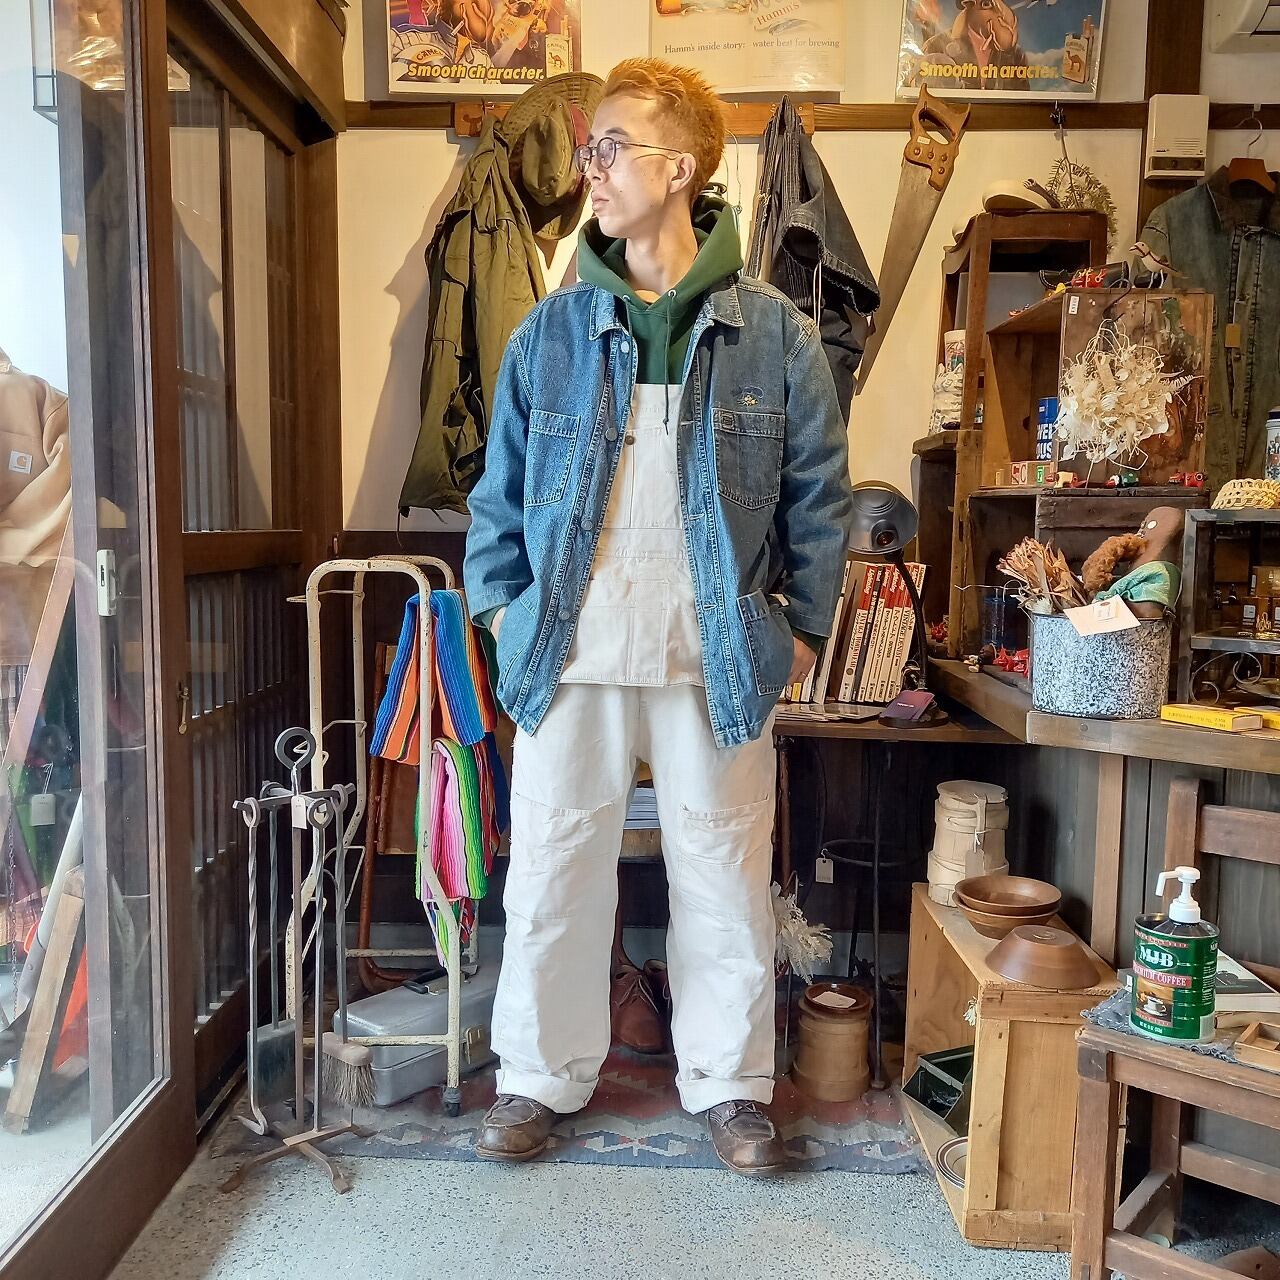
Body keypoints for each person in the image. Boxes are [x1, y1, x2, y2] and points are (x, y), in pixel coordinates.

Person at [463, 57, 853, 1176]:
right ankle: (538, 1077)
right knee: (553, 869)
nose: (590, 168)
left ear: (679, 168)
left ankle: (730, 1088)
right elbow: (497, 499)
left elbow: (819, 498)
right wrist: (501, 611)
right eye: (590, 149)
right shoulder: (547, 333)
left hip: (714, 653)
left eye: (611, 147)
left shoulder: (772, 334)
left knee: (724, 876)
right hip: (568, 649)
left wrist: (803, 632)